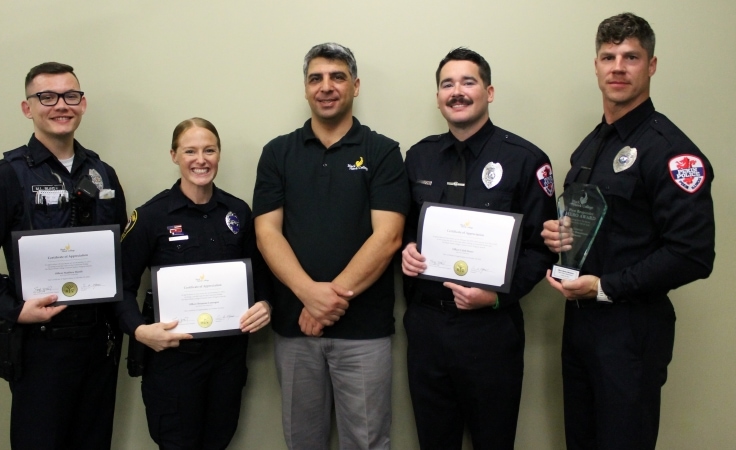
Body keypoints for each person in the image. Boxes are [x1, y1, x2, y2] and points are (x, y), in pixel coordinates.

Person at [541, 13, 715, 450]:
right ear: (596, 66)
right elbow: (598, 224)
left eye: (631, 57)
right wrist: (563, 240)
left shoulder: (672, 152)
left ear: (651, 65)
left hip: (631, 330)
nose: (618, 67)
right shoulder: (592, 145)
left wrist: (605, 286)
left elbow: (692, 252)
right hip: (580, 325)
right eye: (608, 56)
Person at [0, 62, 127, 450]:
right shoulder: (5, 176)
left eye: (70, 96)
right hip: (41, 344)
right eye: (46, 97)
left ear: (83, 104)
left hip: (99, 343)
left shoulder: (103, 174)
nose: (60, 105)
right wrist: (15, 309)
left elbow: (116, 257)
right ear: (27, 107)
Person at [252, 42, 409, 449]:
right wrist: (309, 296)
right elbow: (267, 233)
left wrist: (325, 304)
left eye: (337, 77)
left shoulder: (383, 151)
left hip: (364, 333)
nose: (326, 86)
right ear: (305, 89)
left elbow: (388, 236)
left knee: (368, 442)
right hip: (294, 329)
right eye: (316, 78)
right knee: (303, 442)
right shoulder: (277, 153)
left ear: (355, 86)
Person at [401, 48, 558, 450]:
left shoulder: (526, 159)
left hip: (491, 331)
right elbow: (403, 230)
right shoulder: (418, 157)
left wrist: (495, 297)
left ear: (488, 92)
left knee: (494, 440)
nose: (457, 92)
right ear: (438, 96)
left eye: (467, 82)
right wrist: (406, 251)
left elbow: (543, 250)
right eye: (447, 84)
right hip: (427, 327)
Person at [115, 117, 272, 449]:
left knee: (219, 440)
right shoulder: (151, 217)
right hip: (173, 362)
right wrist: (140, 332)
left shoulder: (238, 213)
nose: (201, 159)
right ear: (174, 155)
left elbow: (260, 277)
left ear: (219, 154)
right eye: (190, 151)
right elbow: (121, 286)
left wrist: (265, 305)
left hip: (227, 361)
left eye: (209, 150)